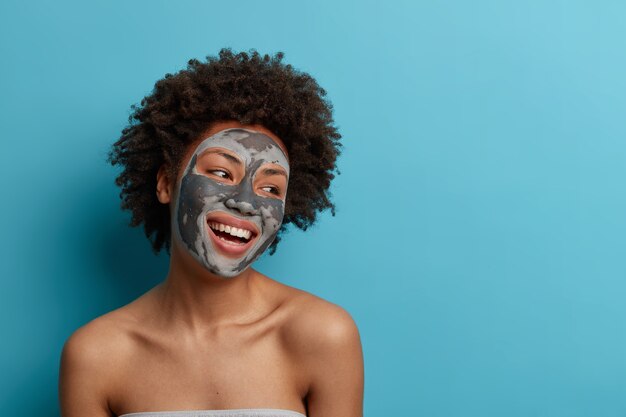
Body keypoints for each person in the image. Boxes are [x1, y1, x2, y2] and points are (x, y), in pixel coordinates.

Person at [58, 49, 364, 417]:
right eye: (221, 173)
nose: (246, 202)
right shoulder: (96, 354)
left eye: (271, 189)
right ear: (166, 183)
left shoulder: (322, 335)